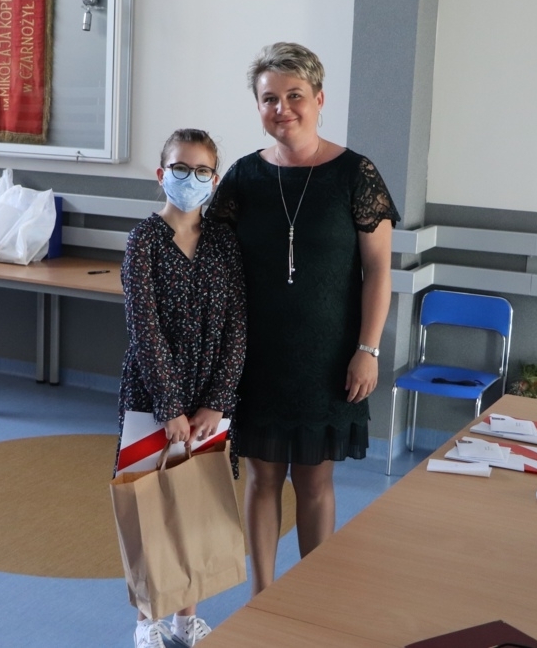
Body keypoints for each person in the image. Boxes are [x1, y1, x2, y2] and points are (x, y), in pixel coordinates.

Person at [206, 42, 400, 595]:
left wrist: (368, 349)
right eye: (270, 99)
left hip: (330, 357)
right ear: (258, 106)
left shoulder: (356, 175)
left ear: (319, 99)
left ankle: (313, 596)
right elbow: (212, 262)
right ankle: (262, 596)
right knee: (262, 478)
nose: (282, 109)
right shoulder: (243, 177)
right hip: (257, 357)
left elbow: (378, 271)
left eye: (295, 96)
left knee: (314, 481)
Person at [115, 129, 247, 648]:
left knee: (195, 506)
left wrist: (218, 401)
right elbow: (143, 328)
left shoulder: (223, 243)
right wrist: (169, 406)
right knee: (149, 505)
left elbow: (237, 325)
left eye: (202, 171)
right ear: (161, 173)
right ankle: (147, 620)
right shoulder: (143, 241)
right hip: (152, 396)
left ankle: (185, 619)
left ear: (214, 180)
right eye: (180, 168)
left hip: (210, 398)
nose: (190, 179)